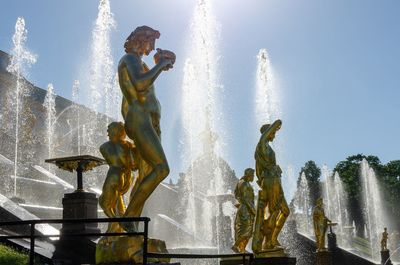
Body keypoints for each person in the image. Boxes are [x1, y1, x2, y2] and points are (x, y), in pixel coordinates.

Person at [118, 26, 175, 225]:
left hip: (146, 121)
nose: (152, 49)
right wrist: (160, 66)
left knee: (145, 175)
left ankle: (131, 222)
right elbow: (140, 85)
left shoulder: (138, 62)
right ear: (142, 40)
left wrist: (159, 64)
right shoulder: (130, 59)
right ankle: (129, 218)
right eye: (151, 44)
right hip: (141, 120)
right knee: (162, 169)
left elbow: (128, 101)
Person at [252, 119, 290, 253]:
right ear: (267, 133)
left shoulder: (267, 147)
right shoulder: (261, 145)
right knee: (275, 210)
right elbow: (264, 137)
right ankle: (269, 241)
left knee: (285, 211)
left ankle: (272, 239)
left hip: (275, 180)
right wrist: (277, 123)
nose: (274, 136)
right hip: (269, 181)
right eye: (273, 133)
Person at [99, 122, 135, 232]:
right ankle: (115, 230)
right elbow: (132, 166)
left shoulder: (104, 147)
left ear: (115, 130)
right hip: (124, 176)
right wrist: (129, 178)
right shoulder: (128, 146)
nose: (107, 132)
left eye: (109, 129)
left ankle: (121, 224)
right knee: (117, 203)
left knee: (104, 204)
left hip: (113, 175)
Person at [232, 168, 256, 253]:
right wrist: (253, 210)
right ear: (248, 175)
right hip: (246, 209)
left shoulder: (242, 182)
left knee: (248, 231)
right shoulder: (244, 184)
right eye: (252, 175)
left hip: (245, 208)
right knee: (246, 230)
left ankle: (242, 248)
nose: (253, 177)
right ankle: (235, 246)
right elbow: (246, 199)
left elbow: (236, 195)